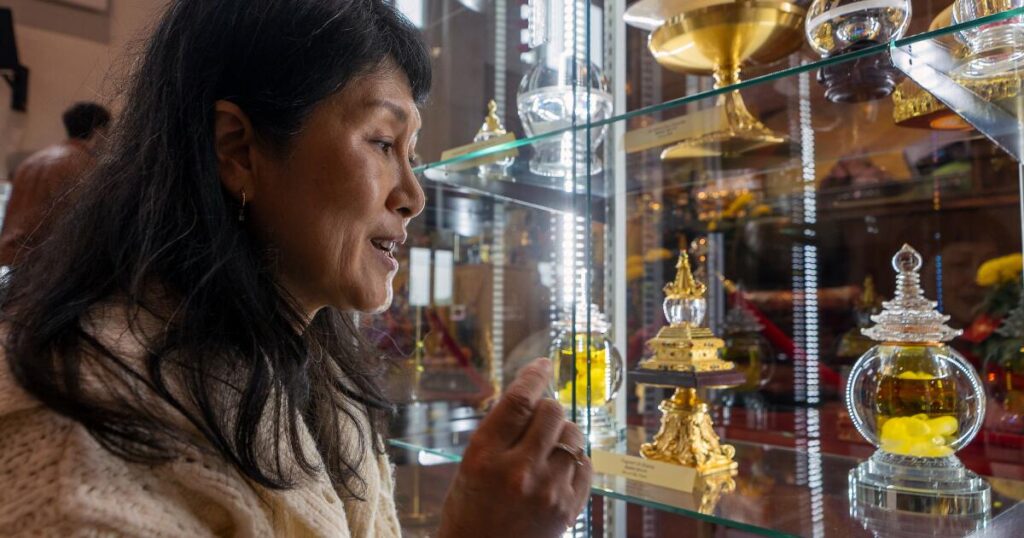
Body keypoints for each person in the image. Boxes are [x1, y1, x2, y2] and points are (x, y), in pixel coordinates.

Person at [0, 1, 591, 537]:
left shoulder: (320, 384)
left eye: (414, 156)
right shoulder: (82, 438)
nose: (412, 194)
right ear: (238, 149)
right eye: (383, 143)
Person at [0, 101, 110, 266]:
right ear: (98, 131)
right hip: (45, 265)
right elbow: (78, 227)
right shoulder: (84, 164)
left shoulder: (32, 160)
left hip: (11, 259)